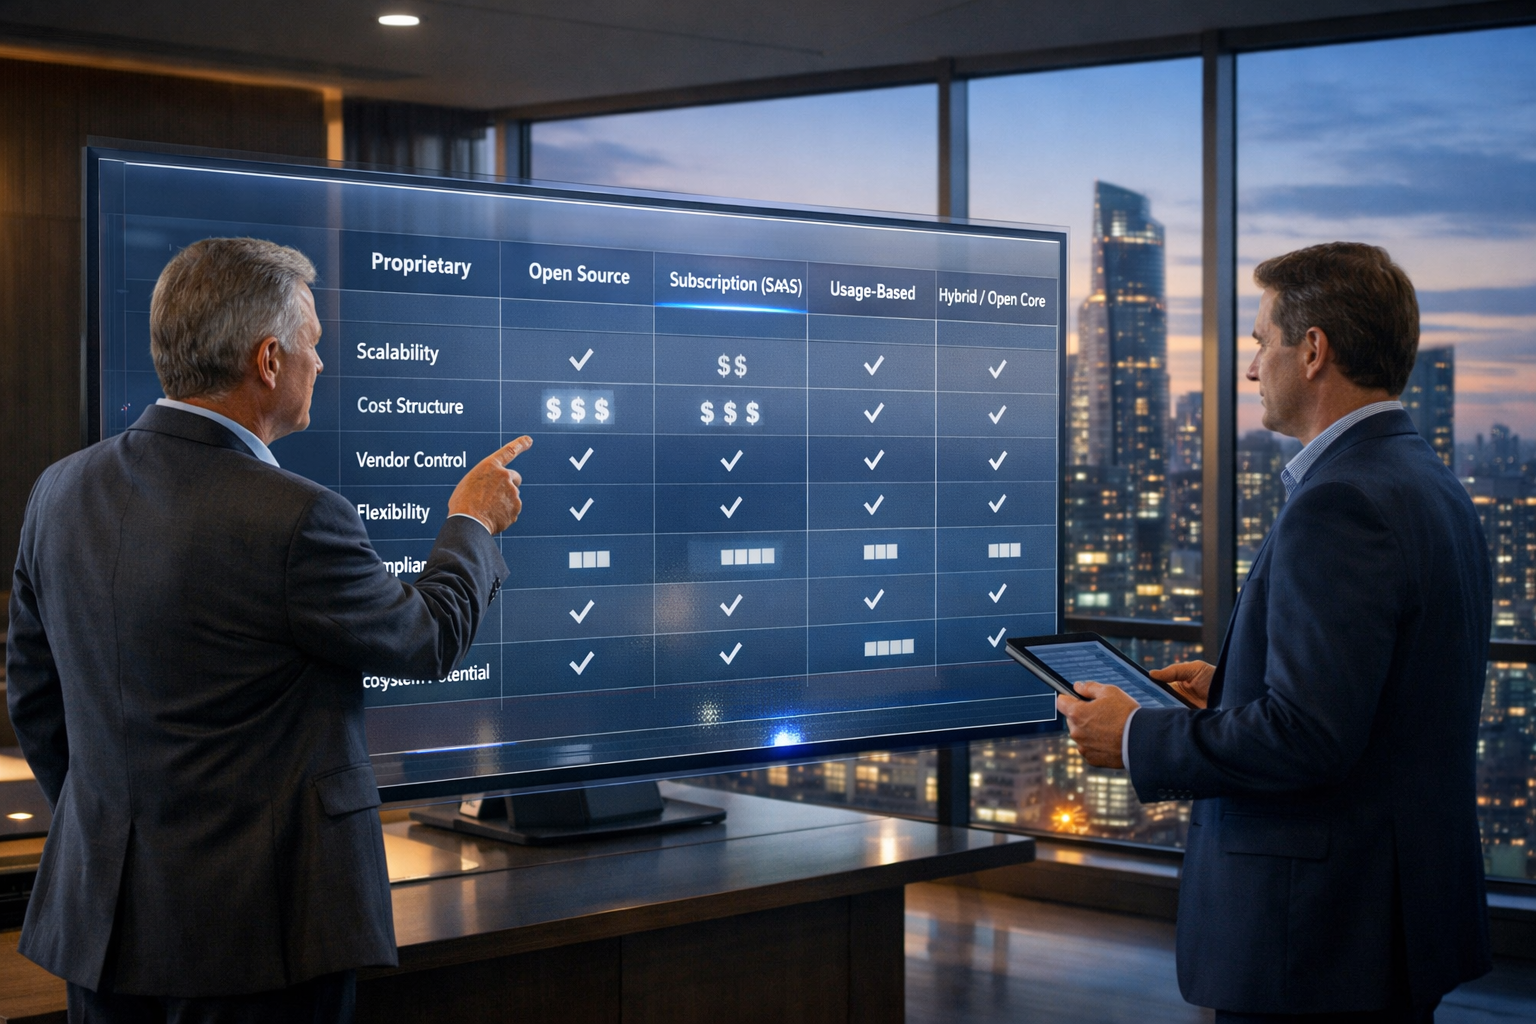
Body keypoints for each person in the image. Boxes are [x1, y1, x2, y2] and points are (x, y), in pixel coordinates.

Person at [6, 237, 531, 1023]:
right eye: (314, 346)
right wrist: (472, 521)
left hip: (102, 925)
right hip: (259, 940)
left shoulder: (60, 490)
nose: (323, 363)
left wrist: (108, 827)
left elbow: (35, 696)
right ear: (269, 360)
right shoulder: (295, 515)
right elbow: (424, 640)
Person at [1059, 242, 1493, 1022]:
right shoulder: (1429, 482)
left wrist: (1135, 738)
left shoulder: (1342, 501)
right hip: (1388, 913)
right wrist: (1230, 689)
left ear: (1314, 349)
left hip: (1316, 934)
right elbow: (1385, 696)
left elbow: (1308, 736)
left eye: (1261, 343)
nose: (1253, 369)